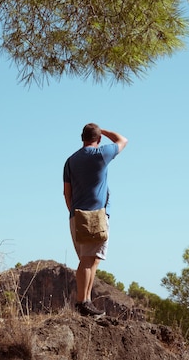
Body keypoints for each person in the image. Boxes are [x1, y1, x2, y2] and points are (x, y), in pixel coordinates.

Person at [63, 123, 128, 317]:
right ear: (98, 139)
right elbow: (122, 140)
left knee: (93, 260)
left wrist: (74, 214)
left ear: (82, 137)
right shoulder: (100, 154)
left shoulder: (70, 161)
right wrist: (105, 131)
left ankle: (87, 301)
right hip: (95, 215)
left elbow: (67, 193)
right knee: (87, 260)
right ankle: (82, 303)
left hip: (76, 216)